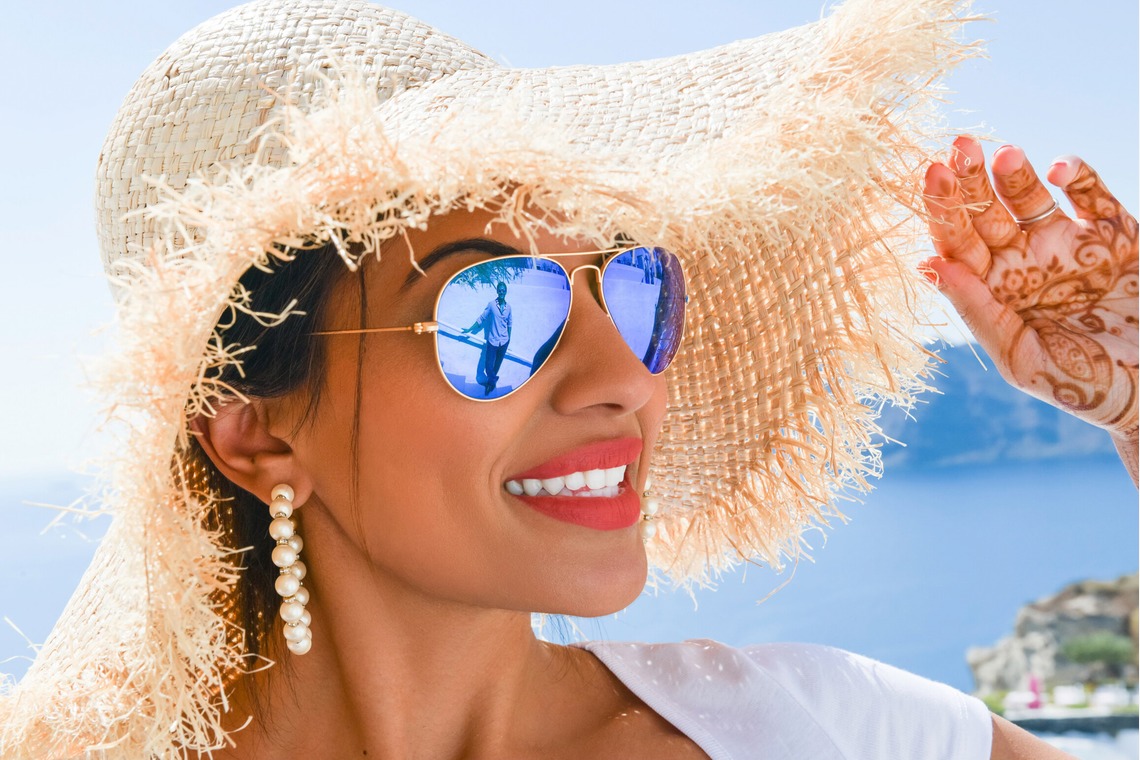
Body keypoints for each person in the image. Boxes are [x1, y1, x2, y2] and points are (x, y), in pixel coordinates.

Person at [0, 0, 1134, 758]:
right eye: (496, 315)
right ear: (252, 432)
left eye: (633, 292)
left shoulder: (810, 728)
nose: (624, 378)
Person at [464, 281, 513, 395]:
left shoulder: (509, 308)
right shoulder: (491, 305)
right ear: (497, 291)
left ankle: (490, 384)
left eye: (503, 290)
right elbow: (481, 318)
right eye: (499, 290)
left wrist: (509, 338)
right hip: (492, 341)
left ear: (505, 292)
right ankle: (493, 379)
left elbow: (510, 324)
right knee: (488, 367)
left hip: (504, 342)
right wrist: (469, 329)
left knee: (496, 366)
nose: (501, 292)